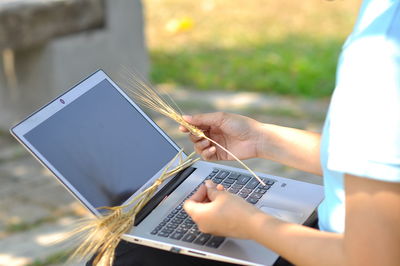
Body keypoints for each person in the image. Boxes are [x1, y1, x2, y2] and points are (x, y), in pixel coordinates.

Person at [87, 0, 400, 265]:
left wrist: (252, 224)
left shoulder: (380, 54)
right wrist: (263, 140)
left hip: (338, 247)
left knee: (121, 254)